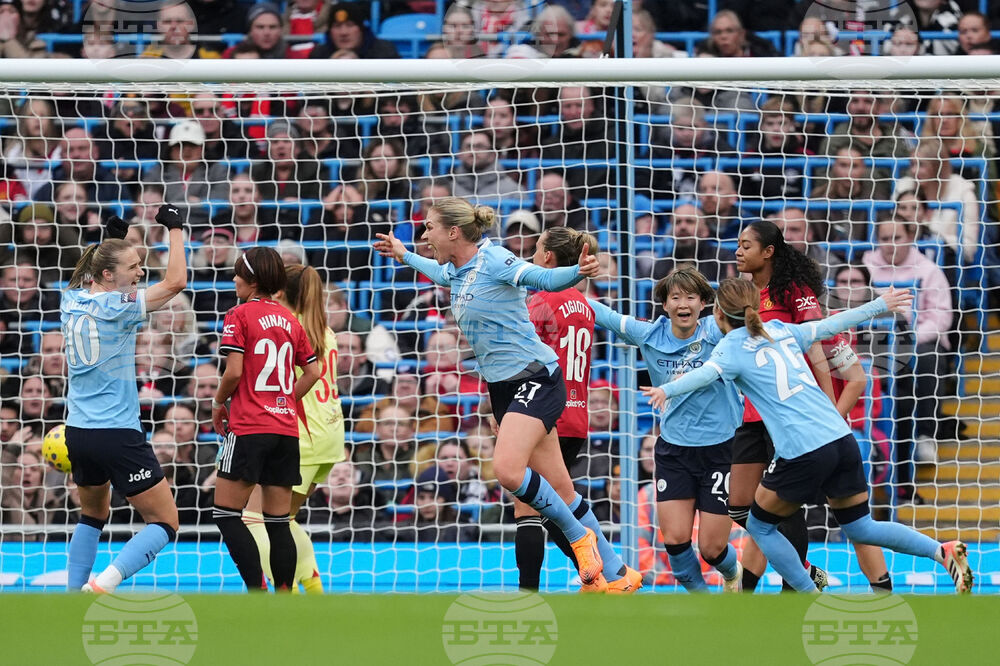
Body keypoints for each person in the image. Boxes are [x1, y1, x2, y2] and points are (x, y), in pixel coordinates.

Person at [641, 279, 974, 594]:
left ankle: (808, 591)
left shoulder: (730, 347)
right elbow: (831, 325)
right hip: (841, 438)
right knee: (862, 527)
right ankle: (941, 551)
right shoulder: (780, 329)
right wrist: (879, 304)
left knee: (759, 525)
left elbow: (703, 375)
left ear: (717, 313)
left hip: (803, 448)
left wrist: (666, 390)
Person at [374, 197, 637, 592]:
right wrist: (403, 254)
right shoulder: (457, 270)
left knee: (509, 472)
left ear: (453, 232)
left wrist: (576, 272)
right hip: (502, 388)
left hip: (536, 376)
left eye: (429, 227)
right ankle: (617, 575)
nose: (423, 234)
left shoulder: (494, 258)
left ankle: (579, 540)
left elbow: (542, 278)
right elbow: (439, 273)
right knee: (561, 490)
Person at [591, 267, 744, 592]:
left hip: (721, 449)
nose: (682, 304)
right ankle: (705, 608)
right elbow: (604, 316)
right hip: (674, 450)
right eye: (675, 297)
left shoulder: (719, 331)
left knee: (712, 549)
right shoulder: (650, 335)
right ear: (665, 305)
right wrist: (561, 285)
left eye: (690, 297)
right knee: (674, 542)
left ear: (703, 303)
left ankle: (733, 573)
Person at [61, 204, 187, 593]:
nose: (140, 273)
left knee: (92, 515)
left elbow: (91, 270)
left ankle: (71, 596)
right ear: (107, 275)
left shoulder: (70, 299)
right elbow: (176, 282)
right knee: (165, 522)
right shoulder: (120, 306)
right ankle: (104, 583)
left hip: (78, 431)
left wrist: (111, 240)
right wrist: (175, 228)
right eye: (133, 267)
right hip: (116, 432)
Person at [211, 247, 322, 592]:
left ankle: (257, 591)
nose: (234, 280)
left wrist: (218, 402)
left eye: (238, 274)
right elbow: (314, 371)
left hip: (249, 427)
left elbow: (234, 372)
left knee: (226, 514)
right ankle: (284, 596)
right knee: (278, 521)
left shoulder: (238, 314)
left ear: (253, 280)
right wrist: (284, 400)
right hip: (285, 430)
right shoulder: (290, 319)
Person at [242, 264, 345, 594]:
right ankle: (312, 589)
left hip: (302, 434)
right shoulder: (324, 330)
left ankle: (278, 592)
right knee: (283, 520)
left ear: (280, 292)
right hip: (330, 435)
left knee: (254, 518)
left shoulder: (284, 328)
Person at [515, 227, 604, 591]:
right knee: (554, 509)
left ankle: (530, 594)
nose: (533, 256)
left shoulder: (540, 302)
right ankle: (602, 576)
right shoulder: (585, 304)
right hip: (576, 415)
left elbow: (525, 362)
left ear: (548, 257)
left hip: (543, 415)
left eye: (537, 249)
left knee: (528, 508)